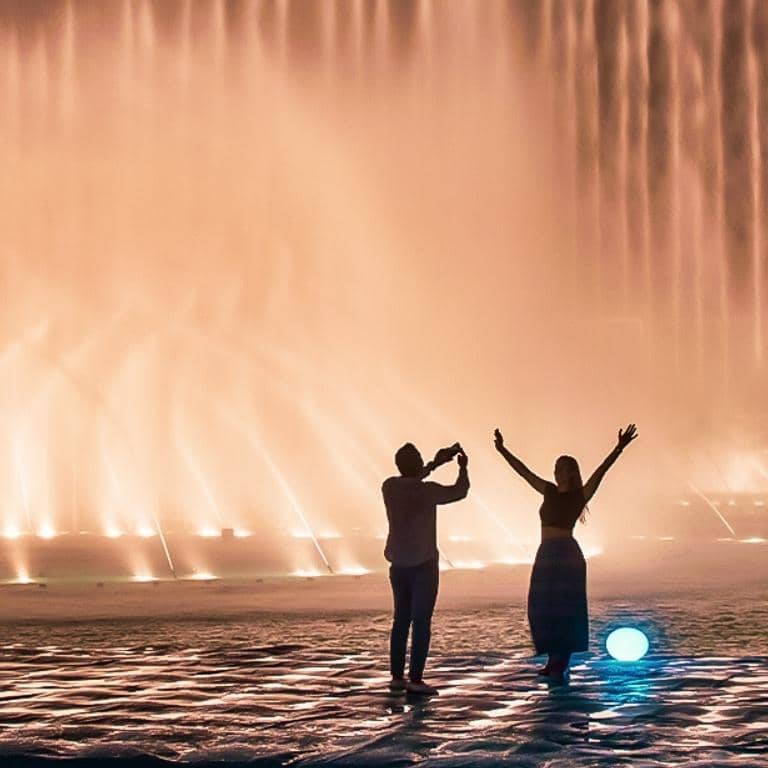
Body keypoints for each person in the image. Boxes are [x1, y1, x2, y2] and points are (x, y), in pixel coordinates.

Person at [493, 424, 638, 683]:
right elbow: (524, 473)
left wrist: (619, 448)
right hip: (546, 553)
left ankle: (561, 661)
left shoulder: (580, 495)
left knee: (566, 608)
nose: (556, 471)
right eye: (555, 467)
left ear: (571, 473)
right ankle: (553, 658)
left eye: (561, 468)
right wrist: (503, 450)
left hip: (566, 554)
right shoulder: (548, 490)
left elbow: (602, 471)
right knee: (541, 607)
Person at [382, 442, 470, 696]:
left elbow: (412, 479)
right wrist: (462, 468)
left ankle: (397, 677)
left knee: (401, 620)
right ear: (417, 463)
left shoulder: (389, 487)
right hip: (423, 565)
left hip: (397, 564)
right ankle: (416, 679)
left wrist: (436, 462)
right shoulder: (427, 492)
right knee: (421, 621)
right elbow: (460, 491)